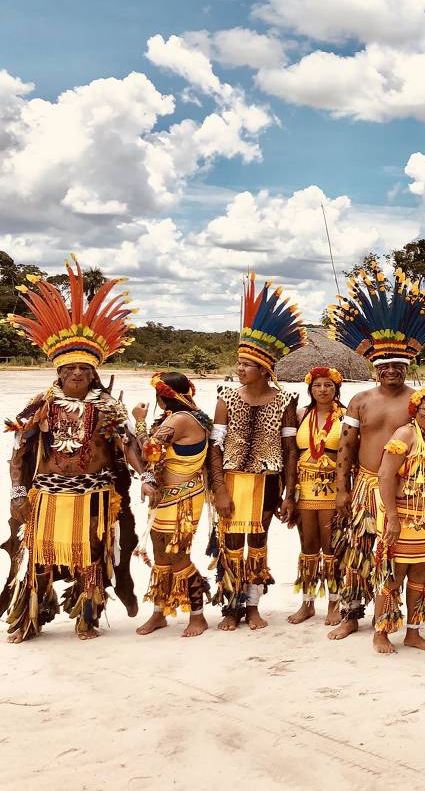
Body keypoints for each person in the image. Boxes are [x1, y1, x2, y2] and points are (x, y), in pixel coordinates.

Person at [4, 256, 149, 642]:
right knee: (40, 556)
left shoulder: (108, 407)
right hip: (48, 493)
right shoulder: (41, 405)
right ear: (59, 372)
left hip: (94, 496)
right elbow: (20, 451)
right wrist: (18, 491)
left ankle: (86, 618)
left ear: (93, 373)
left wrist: (145, 474)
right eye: (70, 370)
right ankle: (30, 619)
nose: (77, 374)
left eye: (84, 369)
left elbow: (129, 445)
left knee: (92, 555)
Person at [325, 267, 425, 640]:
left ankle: (401, 623)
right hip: (364, 485)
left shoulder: (420, 402)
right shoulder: (361, 401)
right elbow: (345, 447)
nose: (391, 370)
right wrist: (342, 489)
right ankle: (350, 613)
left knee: (393, 557)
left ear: (406, 368)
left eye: (398, 366)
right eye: (385, 366)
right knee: (357, 551)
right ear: (375, 369)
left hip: (406, 493)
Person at [207, 275, 305, 632]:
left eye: (246, 365)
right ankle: (230, 607)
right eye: (239, 364)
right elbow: (215, 447)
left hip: (267, 481)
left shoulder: (285, 401)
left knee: (258, 544)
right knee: (231, 545)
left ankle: (252, 605)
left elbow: (290, 451)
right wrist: (218, 489)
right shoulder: (225, 397)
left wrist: (289, 494)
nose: (240, 369)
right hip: (232, 478)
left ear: (264, 369)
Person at [132, 372, 213, 637]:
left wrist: (140, 423)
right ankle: (159, 612)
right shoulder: (182, 416)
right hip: (166, 496)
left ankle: (198, 616)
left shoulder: (179, 419)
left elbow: (149, 450)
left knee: (178, 555)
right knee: (160, 555)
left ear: (163, 397)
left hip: (183, 497)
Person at [374, 385, 425, 653]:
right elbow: (385, 476)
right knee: (394, 576)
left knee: (420, 576)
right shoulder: (405, 434)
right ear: (415, 410)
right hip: (404, 519)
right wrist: (393, 517)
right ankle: (381, 632)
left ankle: (413, 633)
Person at [288, 366, 345, 625]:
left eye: (328, 385)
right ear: (310, 389)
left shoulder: (345, 417)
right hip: (305, 486)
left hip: (334, 488)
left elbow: (350, 456)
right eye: (317, 386)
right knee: (307, 547)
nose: (322, 390)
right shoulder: (301, 414)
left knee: (331, 547)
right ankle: (307, 602)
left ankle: (334, 602)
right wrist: (288, 494)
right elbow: (289, 453)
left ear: (336, 388)